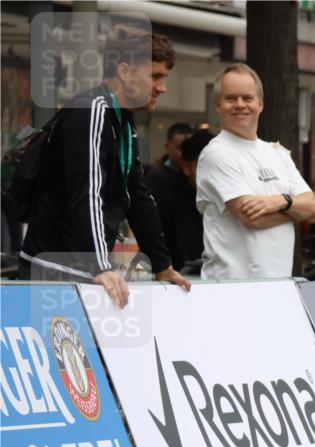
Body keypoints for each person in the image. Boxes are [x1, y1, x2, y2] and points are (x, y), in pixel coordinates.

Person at [19, 26, 190, 307]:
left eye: (164, 77)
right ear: (124, 72)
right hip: (54, 271)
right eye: (155, 76)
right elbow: (87, 193)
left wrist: (162, 263)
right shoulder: (92, 111)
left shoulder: (121, 118)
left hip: (78, 271)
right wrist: (100, 265)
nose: (163, 87)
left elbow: (137, 195)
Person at [196, 63, 315, 279]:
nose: (240, 105)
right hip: (232, 287)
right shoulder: (216, 153)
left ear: (260, 104)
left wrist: (280, 201)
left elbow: (311, 207)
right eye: (231, 98)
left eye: (247, 98)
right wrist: (295, 212)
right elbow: (253, 219)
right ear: (217, 105)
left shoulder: (277, 152)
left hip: (278, 285)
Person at [149, 130, 213, 271]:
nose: (215, 175)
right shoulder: (165, 193)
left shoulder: (228, 195)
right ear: (186, 167)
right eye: (206, 167)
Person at [145, 122, 192, 194]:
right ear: (167, 146)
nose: (184, 153)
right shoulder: (156, 177)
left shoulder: (193, 176)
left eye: (189, 148)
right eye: (179, 148)